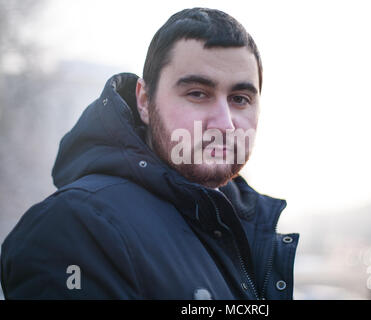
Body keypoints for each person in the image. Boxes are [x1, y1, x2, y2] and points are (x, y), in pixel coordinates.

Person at [0, 7, 299, 300]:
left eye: (240, 98)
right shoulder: (76, 226)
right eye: (197, 93)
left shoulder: (242, 228)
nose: (225, 123)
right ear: (144, 101)